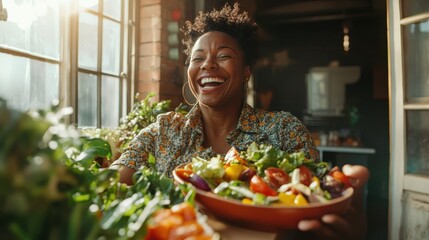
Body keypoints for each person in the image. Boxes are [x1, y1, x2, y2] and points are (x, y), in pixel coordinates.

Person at [110, 3, 369, 240]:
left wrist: (350, 220)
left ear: (246, 71)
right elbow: (113, 181)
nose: (207, 65)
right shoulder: (163, 130)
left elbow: (318, 198)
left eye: (223, 56)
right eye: (197, 58)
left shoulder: (283, 129)